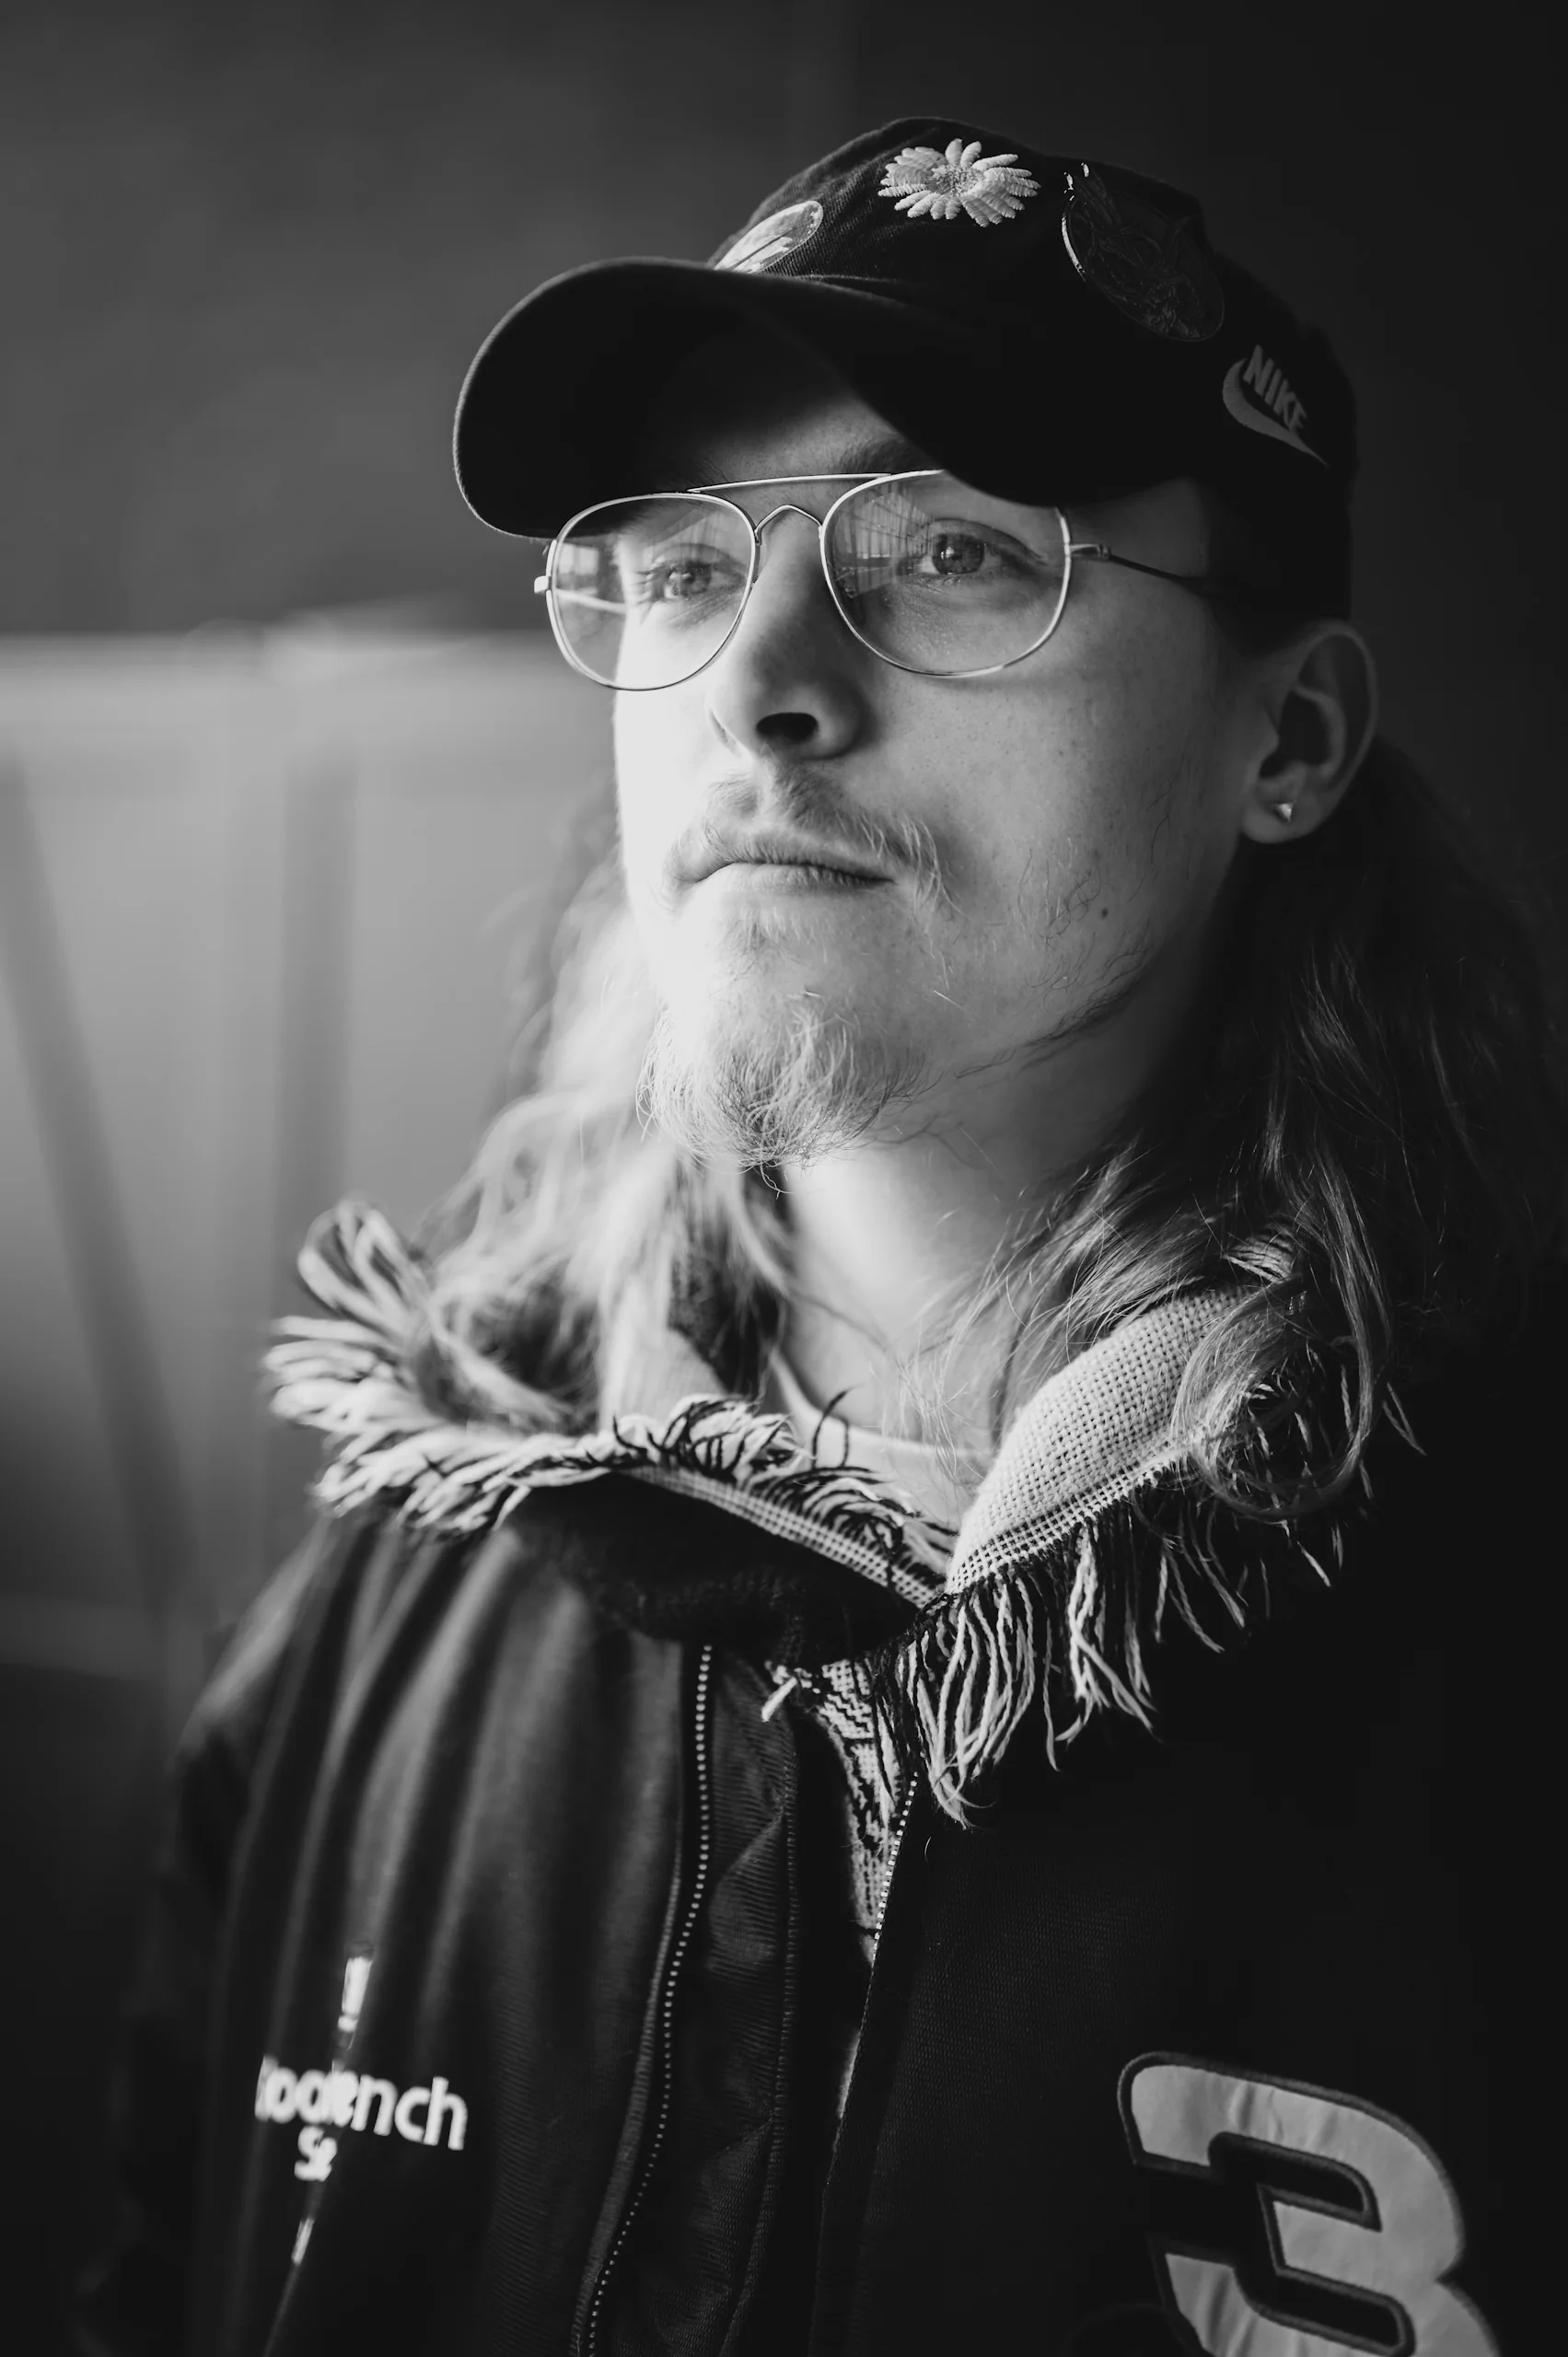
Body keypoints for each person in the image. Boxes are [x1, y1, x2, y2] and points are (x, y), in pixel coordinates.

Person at [76, 122, 1566, 2357]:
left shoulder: (1501, 1601)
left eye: (951, 549)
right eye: (680, 563)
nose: (754, 679)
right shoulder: (393, 1583)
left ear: (1288, 734)